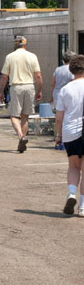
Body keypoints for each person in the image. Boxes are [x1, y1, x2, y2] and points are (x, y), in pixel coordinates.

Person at [53, 54, 84, 217]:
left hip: (71, 132)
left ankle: (71, 193)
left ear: (71, 70)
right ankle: (83, 206)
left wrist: (59, 135)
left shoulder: (65, 89)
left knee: (73, 166)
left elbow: (59, 117)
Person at [0, 36, 42, 153]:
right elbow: (38, 75)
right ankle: (22, 140)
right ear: (25, 45)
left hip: (16, 87)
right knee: (25, 116)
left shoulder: (10, 57)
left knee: (14, 115)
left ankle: (21, 137)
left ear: (15, 45)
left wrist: (1, 91)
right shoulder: (32, 56)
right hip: (29, 86)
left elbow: (4, 76)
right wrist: (39, 90)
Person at [52, 51, 75, 150]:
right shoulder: (72, 70)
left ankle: (59, 138)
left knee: (59, 117)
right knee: (68, 117)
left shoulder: (58, 69)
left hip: (57, 93)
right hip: (68, 94)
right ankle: (66, 140)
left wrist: (51, 96)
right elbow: (73, 82)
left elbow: (53, 83)